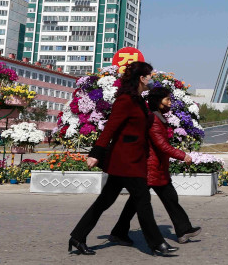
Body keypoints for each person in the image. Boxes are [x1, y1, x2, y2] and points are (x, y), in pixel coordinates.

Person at [68, 61, 177, 257]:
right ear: (142, 78)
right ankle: (157, 244)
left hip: (133, 158)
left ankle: (78, 236)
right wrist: (96, 153)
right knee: (142, 199)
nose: (151, 79)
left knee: (105, 201)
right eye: (149, 76)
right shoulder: (125, 100)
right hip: (125, 160)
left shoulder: (138, 100)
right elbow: (110, 128)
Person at [111, 87, 201, 244]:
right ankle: (182, 230)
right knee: (139, 202)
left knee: (160, 199)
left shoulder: (158, 118)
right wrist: (183, 155)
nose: (170, 102)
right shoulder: (154, 120)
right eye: (167, 99)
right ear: (158, 102)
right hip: (151, 168)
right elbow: (162, 145)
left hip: (156, 168)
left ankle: (183, 230)